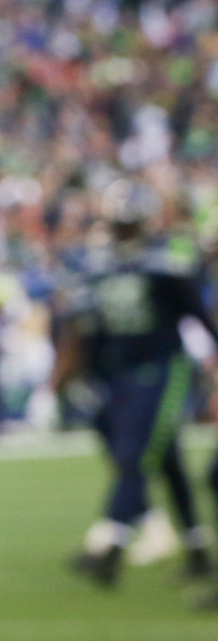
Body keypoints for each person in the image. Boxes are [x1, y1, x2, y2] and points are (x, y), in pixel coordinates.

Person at [55, 184, 218, 588]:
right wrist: (86, 373)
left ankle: (110, 545)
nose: (124, 232)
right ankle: (198, 550)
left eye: (129, 225)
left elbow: (199, 317)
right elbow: (89, 331)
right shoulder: (99, 270)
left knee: (136, 455)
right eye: (119, 225)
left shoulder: (165, 265)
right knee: (167, 460)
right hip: (121, 376)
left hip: (165, 369)